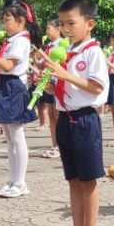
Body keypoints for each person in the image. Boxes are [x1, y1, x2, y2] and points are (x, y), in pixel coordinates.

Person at [39, 0, 109, 226]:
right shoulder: (66, 52)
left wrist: (66, 74)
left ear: (89, 23)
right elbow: (58, 87)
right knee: (73, 179)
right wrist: (46, 81)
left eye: (71, 23)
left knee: (88, 180)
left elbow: (96, 87)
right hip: (65, 121)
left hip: (85, 120)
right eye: (62, 24)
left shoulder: (93, 52)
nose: (66, 29)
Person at [0, 3, 39, 198]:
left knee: (16, 136)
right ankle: (13, 179)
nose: (4, 25)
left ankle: (21, 182)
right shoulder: (11, 40)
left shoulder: (21, 41)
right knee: (9, 138)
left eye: (7, 20)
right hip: (3, 86)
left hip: (13, 88)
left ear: (20, 21)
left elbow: (7, 66)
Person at [37, 20, 63, 156]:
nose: (47, 31)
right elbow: (41, 65)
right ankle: (54, 145)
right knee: (51, 114)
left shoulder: (62, 44)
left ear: (58, 29)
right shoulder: (49, 46)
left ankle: (60, 145)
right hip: (47, 81)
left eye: (49, 28)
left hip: (56, 81)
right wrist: (35, 57)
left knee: (58, 115)